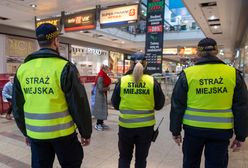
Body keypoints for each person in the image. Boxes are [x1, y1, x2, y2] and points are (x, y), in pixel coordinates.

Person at [12, 23, 92, 168]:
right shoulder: (65, 68)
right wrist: (85, 132)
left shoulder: (22, 69)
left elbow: (17, 106)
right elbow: (78, 104)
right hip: (64, 135)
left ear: (39, 42)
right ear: (55, 41)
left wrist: (26, 132)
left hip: (36, 136)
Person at [170, 37, 248, 168]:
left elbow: (177, 105)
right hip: (221, 131)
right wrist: (241, 135)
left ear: (198, 53)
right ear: (216, 51)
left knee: (190, 163)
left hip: (193, 130)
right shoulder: (233, 74)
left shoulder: (188, 74)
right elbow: (242, 107)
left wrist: (175, 131)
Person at [111, 52, 165, 168]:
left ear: (131, 64)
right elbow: (160, 105)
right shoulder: (152, 81)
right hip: (146, 128)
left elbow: (115, 104)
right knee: (141, 159)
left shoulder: (123, 80)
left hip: (126, 127)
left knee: (124, 158)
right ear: (145, 65)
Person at [93, 64, 111, 131]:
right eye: (107, 69)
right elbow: (100, 88)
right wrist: (107, 88)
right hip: (100, 96)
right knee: (100, 110)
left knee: (103, 110)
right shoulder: (101, 76)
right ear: (104, 69)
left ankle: (101, 123)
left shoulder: (104, 75)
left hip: (103, 95)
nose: (108, 70)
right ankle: (98, 124)